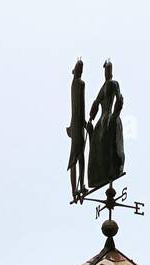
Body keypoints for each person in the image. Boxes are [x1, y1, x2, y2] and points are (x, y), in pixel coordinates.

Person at [87, 59, 125, 190]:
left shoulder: (114, 84)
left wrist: (117, 111)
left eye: (109, 70)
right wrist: (91, 116)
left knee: (107, 142)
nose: (107, 73)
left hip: (109, 116)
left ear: (112, 72)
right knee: (96, 145)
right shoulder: (102, 87)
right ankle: (100, 174)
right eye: (106, 70)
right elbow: (96, 102)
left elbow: (119, 97)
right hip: (101, 119)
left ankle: (111, 169)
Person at [66, 58, 88, 202]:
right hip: (78, 125)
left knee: (74, 156)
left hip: (74, 126)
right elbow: (81, 107)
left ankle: (75, 189)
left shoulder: (73, 83)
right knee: (80, 156)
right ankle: (79, 187)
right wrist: (86, 125)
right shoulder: (80, 84)